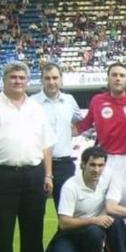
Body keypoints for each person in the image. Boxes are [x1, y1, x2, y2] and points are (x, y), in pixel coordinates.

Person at [0, 61, 55, 252]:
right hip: (0, 173)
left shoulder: (36, 108)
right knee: (2, 226)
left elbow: (46, 144)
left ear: (27, 81)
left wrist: (48, 175)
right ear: (3, 80)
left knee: (33, 225)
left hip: (33, 173)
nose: (17, 81)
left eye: (22, 78)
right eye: (13, 77)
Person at [44, 146, 114, 252]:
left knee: (95, 231)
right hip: (69, 234)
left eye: (101, 165)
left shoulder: (108, 180)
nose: (96, 169)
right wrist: (94, 219)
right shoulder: (70, 186)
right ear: (82, 164)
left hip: (93, 233)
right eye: (92, 165)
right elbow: (64, 223)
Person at [76, 62, 126, 175]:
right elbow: (84, 125)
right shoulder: (97, 100)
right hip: (106, 158)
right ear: (108, 78)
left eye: (122, 76)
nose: (118, 78)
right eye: (114, 75)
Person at [31, 62, 82, 209]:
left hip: (64, 164)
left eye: (55, 77)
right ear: (41, 80)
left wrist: (68, 132)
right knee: (35, 211)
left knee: (67, 212)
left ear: (61, 79)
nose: (51, 82)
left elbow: (80, 123)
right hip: (38, 165)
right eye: (47, 78)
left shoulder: (69, 100)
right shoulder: (32, 102)